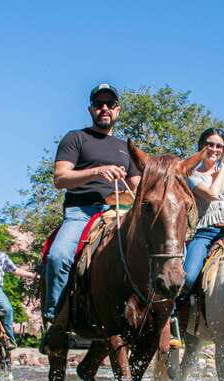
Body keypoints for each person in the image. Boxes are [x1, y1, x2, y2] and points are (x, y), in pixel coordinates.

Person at [41, 83, 141, 328]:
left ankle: (163, 316)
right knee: (58, 256)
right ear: (90, 110)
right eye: (99, 104)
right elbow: (60, 178)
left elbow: (138, 187)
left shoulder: (125, 148)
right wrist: (96, 172)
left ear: (117, 110)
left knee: (157, 249)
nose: (104, 108)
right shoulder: (76, 138)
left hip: (119, 211)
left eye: (110, 104)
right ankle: (55, 320)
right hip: (81, 212)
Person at [179, 127, 224, 302]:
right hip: (205, 233)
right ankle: (173, 314)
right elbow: (212, 194)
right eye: (209, 144)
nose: (214, 149)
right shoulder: (192, 176)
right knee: (188, 277)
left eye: (219, 146)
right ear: (201, 147)